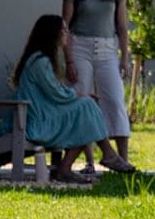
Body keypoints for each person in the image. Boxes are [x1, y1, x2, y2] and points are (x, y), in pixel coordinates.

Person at [11, 14, 129, 179]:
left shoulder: (40, 59)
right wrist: (79, 94)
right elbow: (57, 93)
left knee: (86, 109)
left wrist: (81, 96)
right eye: (64, 30)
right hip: (36, 124)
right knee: (86, 109)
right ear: (53, 34)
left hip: (41, 117)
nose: (67, 34)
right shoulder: (39, 61)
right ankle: (99, 157)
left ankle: (76, 164)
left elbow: (55, 92)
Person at [61, 0, 133, 172]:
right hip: (79, 45)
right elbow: (65, 27)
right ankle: (89, 161)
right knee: (82, 98)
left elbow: (122, 27)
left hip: (107, 48)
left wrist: (124, 58)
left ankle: (122, 159)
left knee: (114, 98)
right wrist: (69, 59)